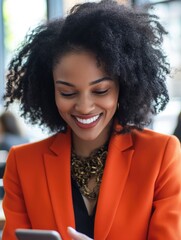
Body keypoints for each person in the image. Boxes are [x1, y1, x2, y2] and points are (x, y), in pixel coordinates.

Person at [2, 0, 181, 239]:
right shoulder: (23, 164)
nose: (84, 107)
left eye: (100, 91)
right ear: (49, 90)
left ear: (123, 86)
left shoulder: (161, 156)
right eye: (67, 92)